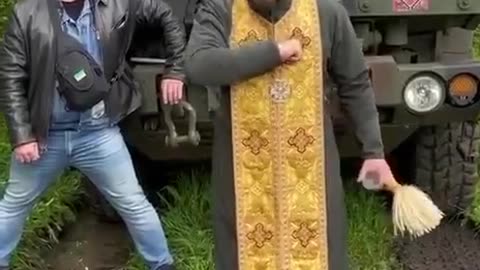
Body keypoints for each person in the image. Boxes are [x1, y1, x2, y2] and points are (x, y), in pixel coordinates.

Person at [184, 0, 395, 269]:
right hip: (241, 172)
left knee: (322, 253)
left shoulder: (326, 12)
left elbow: (355, 83)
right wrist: (275, 53)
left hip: (313, 172)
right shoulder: (221, 9)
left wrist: (373, 152)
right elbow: (198, 64)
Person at [0, 0, 186, 268]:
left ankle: (162, 264)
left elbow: (165, 14)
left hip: (97, 133)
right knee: (13, 207)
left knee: (134, 205)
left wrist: (176, 70)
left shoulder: (117, 4)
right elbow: (10, 76)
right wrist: (22, 135)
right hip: (44, 136)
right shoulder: (28, 13)